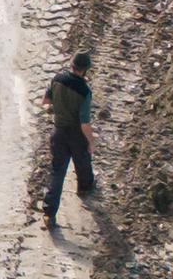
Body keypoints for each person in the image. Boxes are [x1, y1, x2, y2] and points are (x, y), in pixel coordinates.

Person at [40, 52, 96, 225]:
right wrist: (91, 141)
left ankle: (49, 214)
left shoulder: (57, 79)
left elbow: (45, 101)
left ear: (71, 65)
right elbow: (84, 124)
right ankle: (85, 188)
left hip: (58, 132)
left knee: (57, 172)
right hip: (76, 135)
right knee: (83, 162)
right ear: (85, 70)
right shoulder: (84, 91)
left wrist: (57, 108)